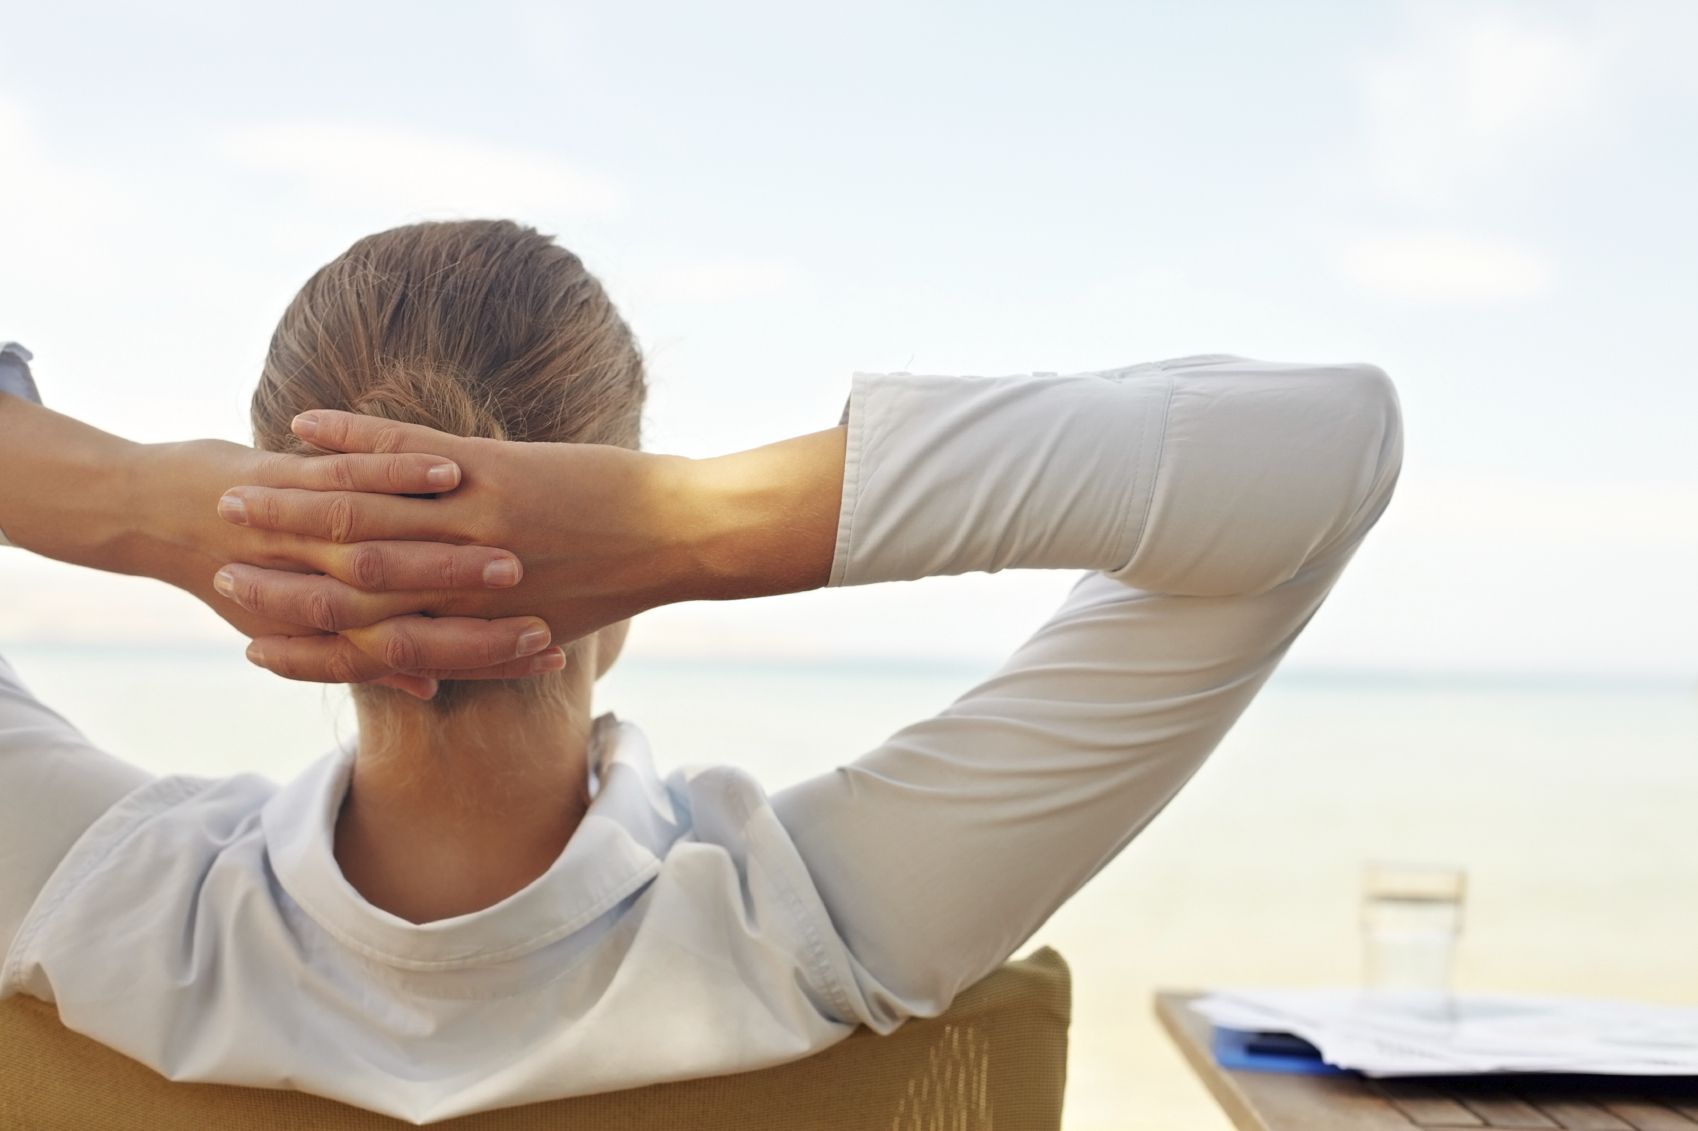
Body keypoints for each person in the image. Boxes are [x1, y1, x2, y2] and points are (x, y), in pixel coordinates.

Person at [0, 220, 1403, 1124]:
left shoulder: (99, 909)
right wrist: (695, 524)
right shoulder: (816, 926)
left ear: (272, 486)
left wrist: (125, 500)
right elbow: (1320, 451)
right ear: (606, 540)